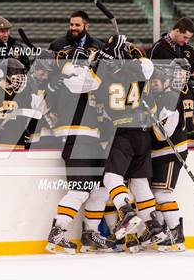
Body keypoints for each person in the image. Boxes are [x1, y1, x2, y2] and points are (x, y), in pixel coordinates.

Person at [94, 35, 167, 247]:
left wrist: (101, 55)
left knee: (111, 178)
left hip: (122, 131)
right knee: (139, 182)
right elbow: (146, 63)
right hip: (142, 133)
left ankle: (126, 213)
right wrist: (128, 51)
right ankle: (154, 225)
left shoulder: (102, 74)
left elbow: (81, 82)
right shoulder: (139, 70)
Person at [45, 47, 114, 254]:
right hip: (77, 141)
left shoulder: (80, 75)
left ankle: (90, 234)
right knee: (78, 191)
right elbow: (89, 81)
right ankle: (57, 234)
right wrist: (94, 63)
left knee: (100, 192)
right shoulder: (69, 77)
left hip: (92, 142)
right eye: (82, 60)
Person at [147, 18, 194, 147]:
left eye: (189, 38)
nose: (186, 41)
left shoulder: (189, 50)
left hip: (187, 139)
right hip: (164, 101)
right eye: (185, 37)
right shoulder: (158, 48)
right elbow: (150, 73)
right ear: (177, 31)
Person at [149, 61, 190, 252]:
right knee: (154, 194)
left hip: (170, 152)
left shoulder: (171, 98)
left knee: (162, 193)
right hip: (158, 153)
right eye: (153, 80)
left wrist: (149, 121)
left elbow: (162, 134)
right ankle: (165, 231)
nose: (155, 83)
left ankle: (176, 232)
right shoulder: (157, 98)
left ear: (166, 82)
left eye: (159, 80)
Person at [0, 58, 43, 150]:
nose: (21, 78)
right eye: (18, 73)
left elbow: (39, 109)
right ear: (7, 73)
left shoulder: (25, 94)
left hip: (16, 148)